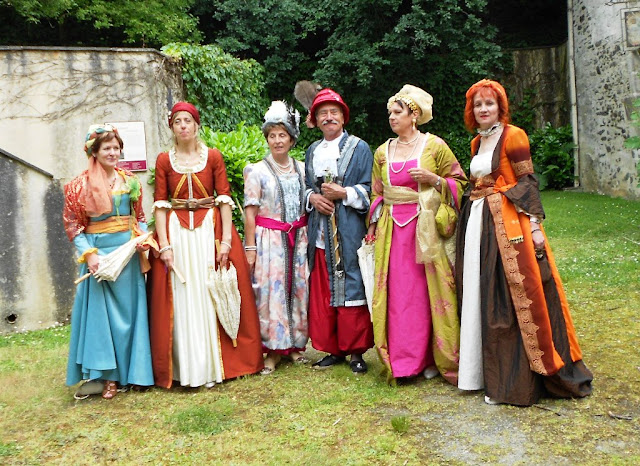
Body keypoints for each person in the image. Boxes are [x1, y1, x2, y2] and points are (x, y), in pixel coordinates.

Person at [456, 79, 593, 406]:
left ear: (500, 107)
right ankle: (482, 373)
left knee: (512, 296)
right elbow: (477, 183)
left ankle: (516, 379)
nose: (484, 109)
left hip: (509, 226)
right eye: (478, 105)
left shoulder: (513, 135)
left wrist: (533, 227)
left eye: (489, 103)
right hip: (479, 224)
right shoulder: (476, 142)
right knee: (482, 292)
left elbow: (527, 181)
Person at [147, 102, 263, 388]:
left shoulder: (212, 157)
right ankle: (188, 369)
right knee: (183, 295)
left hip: (208, 233)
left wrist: (226, 243)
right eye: (177, 121)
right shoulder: (164, 161)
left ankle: (213, 366)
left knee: (209, 292)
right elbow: (160, 204)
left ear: (196, 125)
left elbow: (223, 198)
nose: (183, 126)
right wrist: (164, 245)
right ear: (172, 127)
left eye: (188, 120)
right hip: (178, 234)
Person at [368, 85, 468, 385]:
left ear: (413, 115)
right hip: (392, 233)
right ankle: (402, 362)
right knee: (398, 295)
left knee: (427, 294)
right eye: (390, 113)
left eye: (397, 112)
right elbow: (376, 193)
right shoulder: (382, 152)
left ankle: (433, 358)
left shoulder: (434, 146)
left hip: (426, 232)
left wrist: (434, 179)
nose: (391, 117)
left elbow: (460, 181)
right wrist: (372, 226)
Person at [63, 124, 154, 399]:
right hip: (99, 258)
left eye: (116, 147)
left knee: (130, 315)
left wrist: (142, 238)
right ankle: (108, 377)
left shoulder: (131, 181)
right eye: (107, 148)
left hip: (127, 257)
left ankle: (135, 373)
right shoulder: (78, 186)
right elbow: (74, 225)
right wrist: (90, 256)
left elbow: (139, 217)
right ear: (94, 151)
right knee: (102, 320)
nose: (113, 152)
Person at [304, 88, 374, 374]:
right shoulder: (312, 151)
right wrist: (313, 198)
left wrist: (344, 193)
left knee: (352, 284)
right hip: (320, 233)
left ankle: (355, 351)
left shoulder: (360, 148)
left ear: (344, 117)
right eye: (323, 113)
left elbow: (371, 189)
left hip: (349, 231)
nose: (329, 117)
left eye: (334, 112)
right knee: (324, 287)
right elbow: (306, 186)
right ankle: (332, 349)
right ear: (316, 120)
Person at [243, 101, 309, 374]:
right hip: (269, 241)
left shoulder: (302, 168)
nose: (277, 140)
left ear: (292, 139)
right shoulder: (256, 171)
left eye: (282, 135)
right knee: (270, 293)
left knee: (299, 289)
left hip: (299, 239)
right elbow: (250, 212)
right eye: (272, 135)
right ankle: (272, 349)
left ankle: (294, 345)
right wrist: (250, 247)